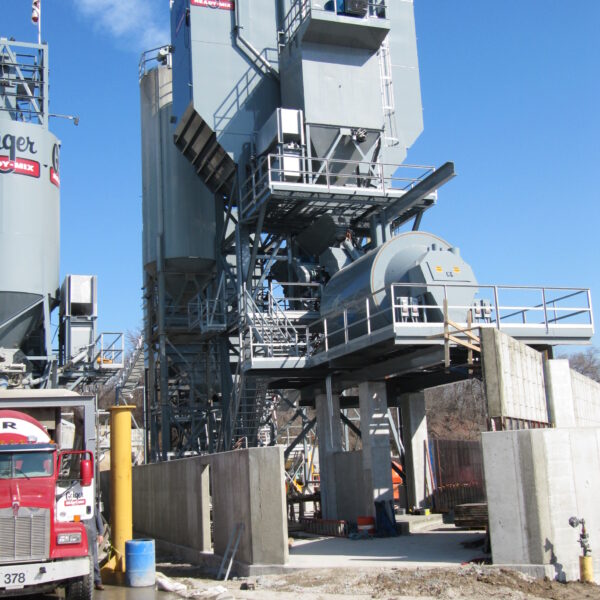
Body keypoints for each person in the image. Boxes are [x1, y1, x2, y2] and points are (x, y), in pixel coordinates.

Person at [85, 505, 105, 591]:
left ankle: (97, 582)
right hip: (79, 537)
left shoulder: (91, 505)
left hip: (91, 537)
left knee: (94, 561)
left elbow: (98, 519)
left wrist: (100, 533)